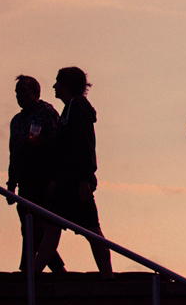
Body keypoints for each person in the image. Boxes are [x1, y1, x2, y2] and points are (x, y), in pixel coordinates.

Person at [39, 66, 113, 276]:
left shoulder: (76, 107)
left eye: (58, 82)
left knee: (79, 229)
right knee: (58, 227)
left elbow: (83, 144)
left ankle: (31, 276)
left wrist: (83, 179)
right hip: (68, 179)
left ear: (67, 85)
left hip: (72, 180)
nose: (54, 86)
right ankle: (108, 276)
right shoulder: (71, 108)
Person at [6, 75, 65, 274]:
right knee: (29, 227)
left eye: (23, 91)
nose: (19, 96)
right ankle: (57, 270)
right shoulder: (16, 120)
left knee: (35, 228)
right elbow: (13, 152)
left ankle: (28, 270)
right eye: (17, 92)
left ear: (36, 92)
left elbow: (58, 147)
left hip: (43, 179)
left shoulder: (47, 113)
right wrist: (11, 184)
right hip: (25, 182)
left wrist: (54, 180)